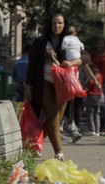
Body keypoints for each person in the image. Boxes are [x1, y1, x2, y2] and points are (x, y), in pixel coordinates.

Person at [24, 13, 80, 161]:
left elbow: (85, 58)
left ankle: (32, 146)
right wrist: (28, 86)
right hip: (45, 83)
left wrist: (71, 63)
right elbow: (32, 65)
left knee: (54, 121)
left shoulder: (69, 41)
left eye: (60, 23)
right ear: (49, 25)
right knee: (53, 116)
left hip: (63, 85)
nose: (57, 26)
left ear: (64, 24)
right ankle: (59, 152)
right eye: (54, 23)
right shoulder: (41, 42)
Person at [60, 26, 85, 143]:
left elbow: (85, 59)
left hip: (71, 83)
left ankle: (72, 130)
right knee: (65, 108)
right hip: (62, 82)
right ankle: (70, 130)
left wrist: (71, 62)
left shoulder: (67, 43)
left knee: (69, 108)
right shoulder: (60, 45)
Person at [84, 64, 103, 136]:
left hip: (92, 96)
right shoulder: (100, 77)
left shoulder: (93, 79)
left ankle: (92, 129)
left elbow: (89, 85)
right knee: (97, 114)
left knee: (90, 114)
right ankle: (97, 130)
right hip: (98, 96)